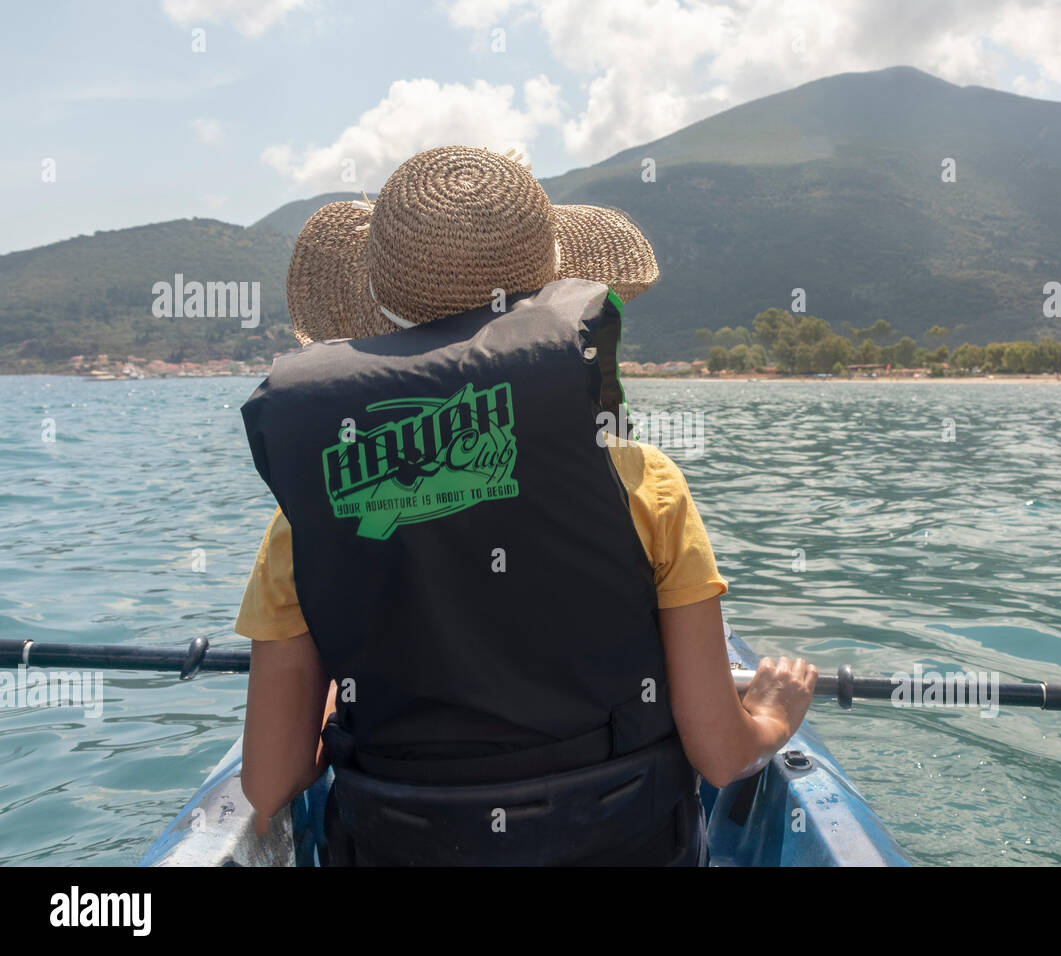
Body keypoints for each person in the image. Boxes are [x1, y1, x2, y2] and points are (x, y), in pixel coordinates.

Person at [234, 146, 817, 865]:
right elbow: (722, 757)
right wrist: (768, 715)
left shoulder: (304, 520)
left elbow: (268, 783)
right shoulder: (647, 484)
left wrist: (326, 709)